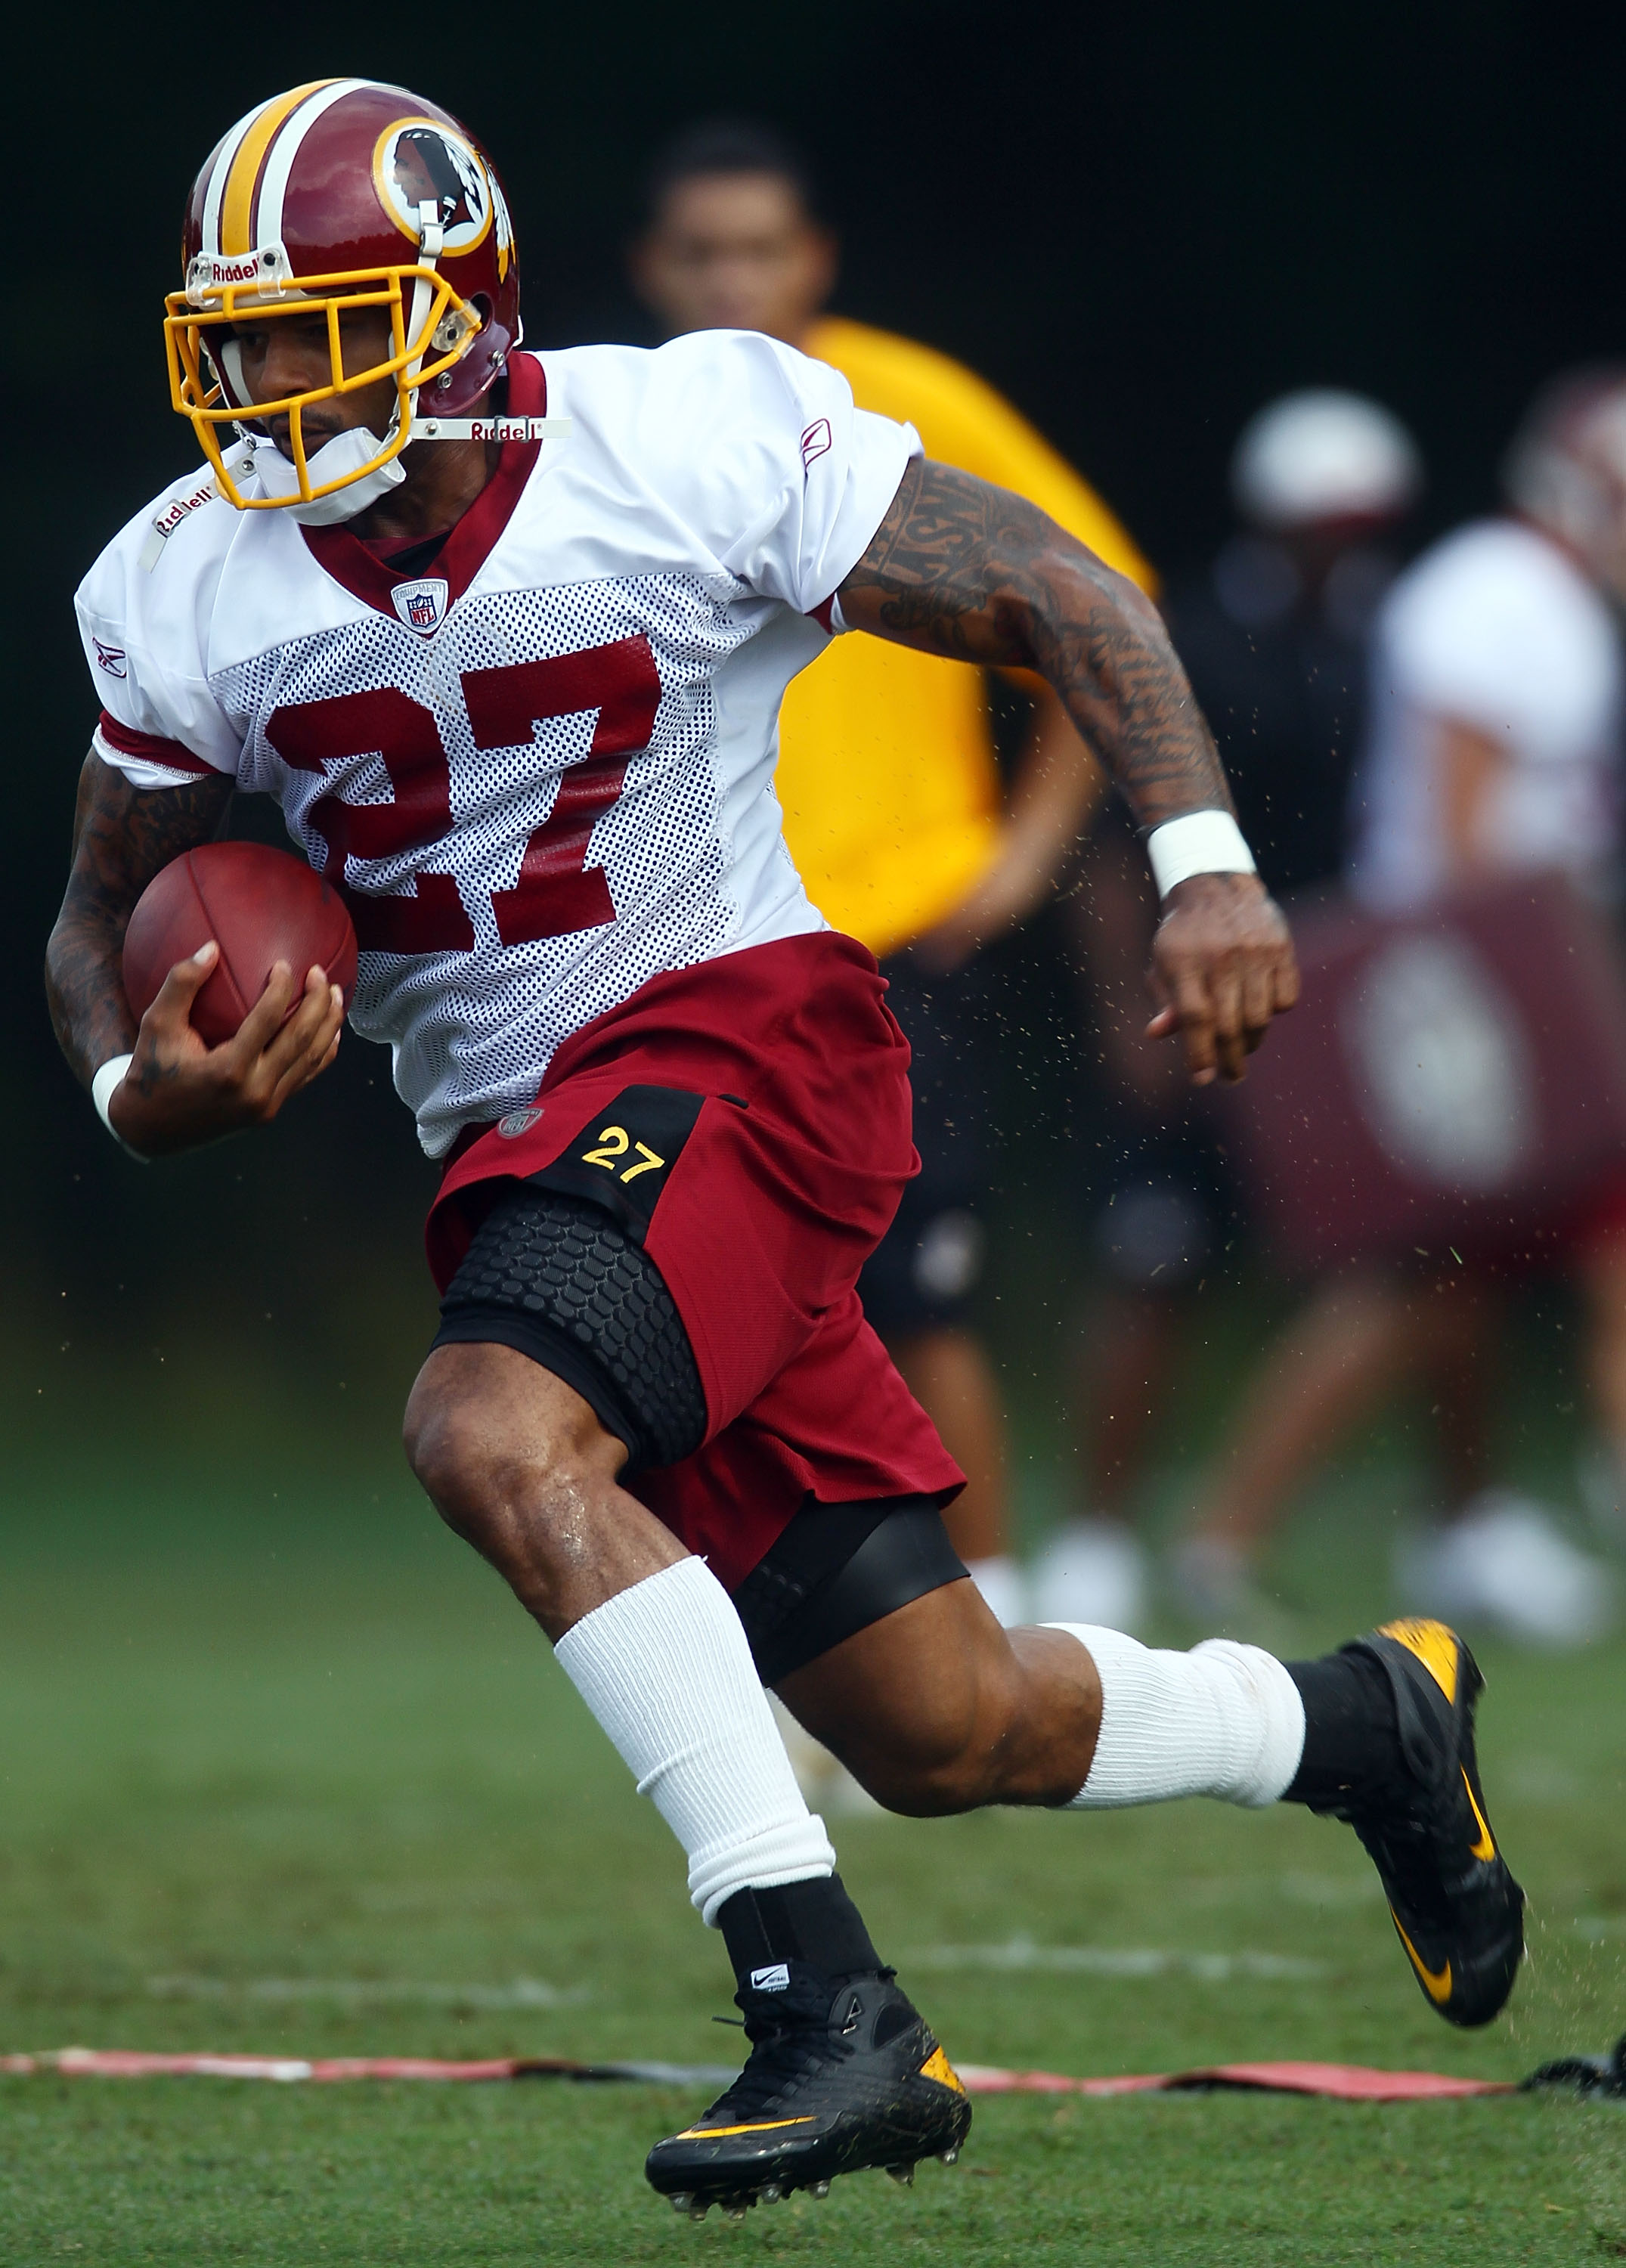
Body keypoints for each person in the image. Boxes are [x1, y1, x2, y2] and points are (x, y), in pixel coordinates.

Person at [48, 79, 1522, 2220]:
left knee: (490, 1431)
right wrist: (131, 1087)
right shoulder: (179, 587)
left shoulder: (682, 438)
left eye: (322, 326)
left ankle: (823, 2011)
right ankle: (1371, 1722)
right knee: (949, 1726)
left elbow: (1057, 590)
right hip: (530, 1142)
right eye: (242, 336)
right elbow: (107, 914)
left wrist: (1203, 858)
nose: (273, 383)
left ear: (458, 311)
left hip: (745, 1045)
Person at [629, 119, 1157, 1628]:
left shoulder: (902, 402)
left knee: (919, 1302)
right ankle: (785, 1634)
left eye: (758, 246)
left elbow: (1095, 598)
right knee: (704, 1318)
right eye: (700, 250)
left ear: (813, 258)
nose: (731, 276)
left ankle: (996, 1628)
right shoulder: (610, 434)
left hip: (882, 937)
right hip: (680, 954)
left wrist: (1023, 853)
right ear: (650, 269)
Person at [1180, 370, 1626, 1644]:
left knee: (1437, 1280)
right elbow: (1469, 839)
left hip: (1486, 976)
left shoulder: (1527, 599)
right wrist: (1546, 1010)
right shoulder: (1510, 602)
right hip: (1481, 982)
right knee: (1496, 1266)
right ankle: (1246, 1533)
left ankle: (1259, 1533)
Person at [1050, 392, 1422, 1626]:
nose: (1340, 543)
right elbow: (1110, 849)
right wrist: (1122, 1010)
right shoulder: (1196, 637)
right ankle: (1098, 1534)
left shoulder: (1389, 639)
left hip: (1332, 1003)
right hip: (1195, 988)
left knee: (1399, 1261)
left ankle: (1260, 1528)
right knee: (1155, 1256)